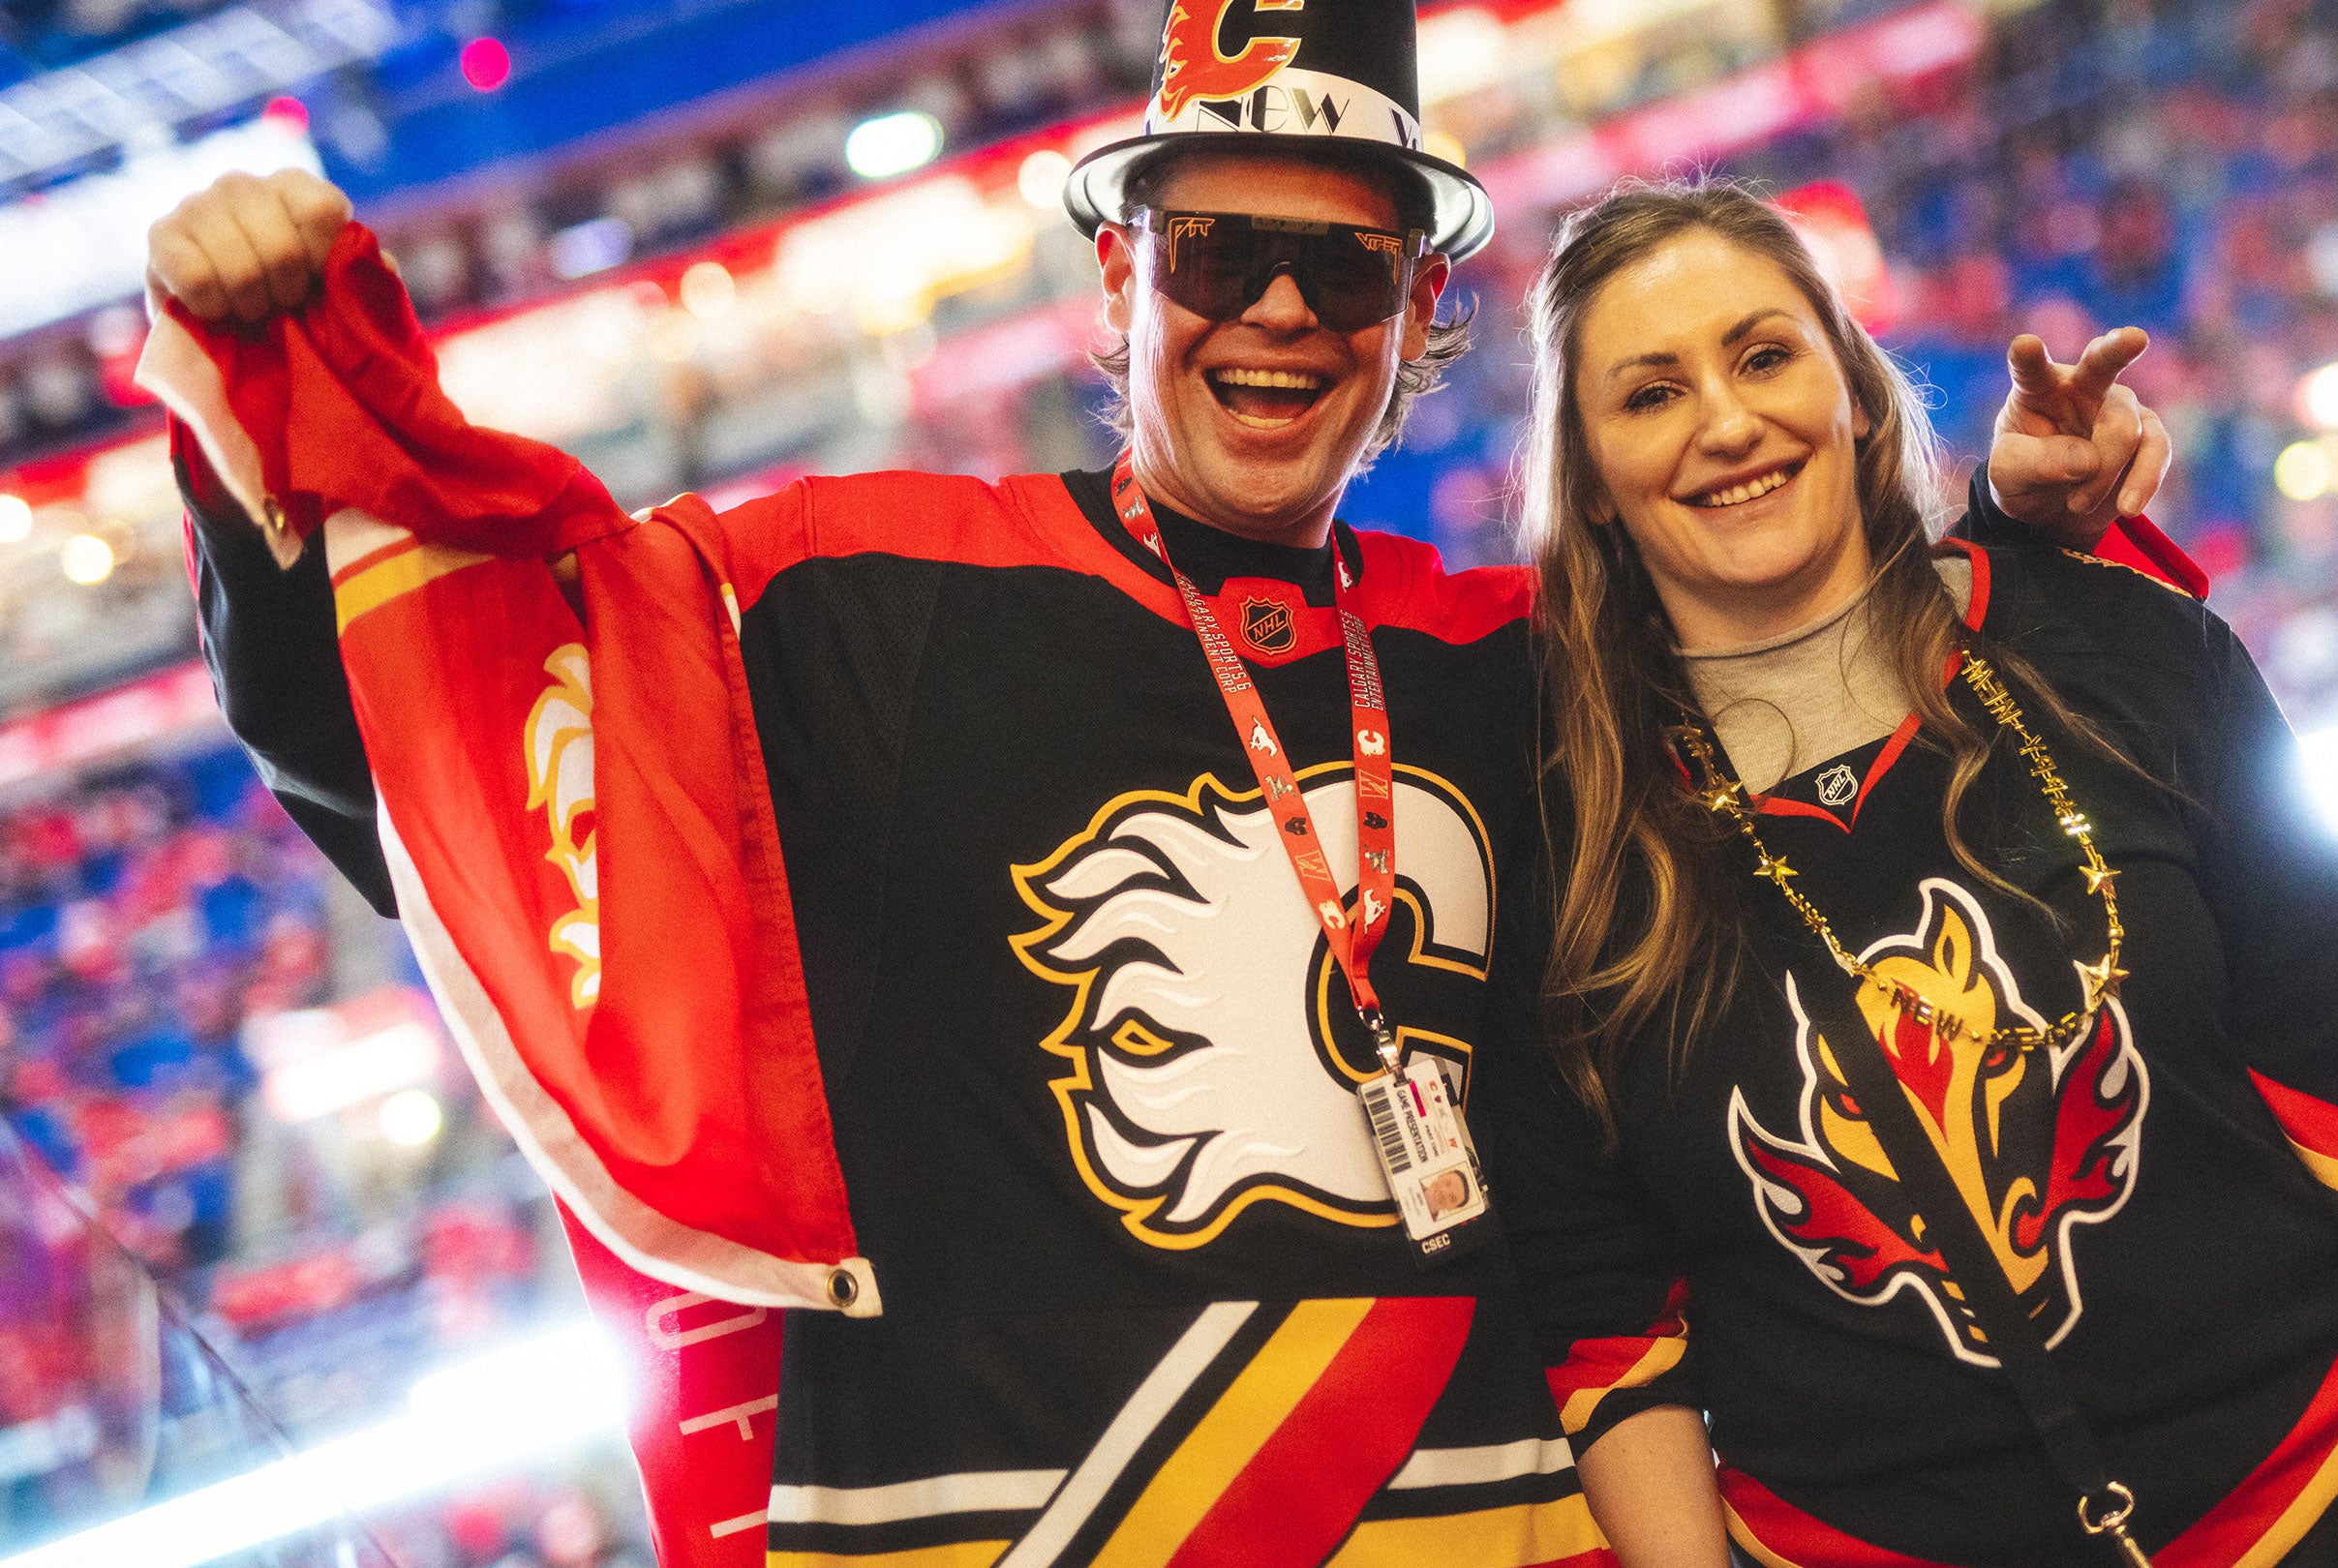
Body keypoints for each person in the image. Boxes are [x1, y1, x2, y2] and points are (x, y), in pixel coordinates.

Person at [137, 7, 2170, 1564]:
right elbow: (465, 767)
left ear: (1418, 328)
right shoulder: (850, 585)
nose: (1279, 311)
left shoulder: (1511, 658)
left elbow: (1833, 700)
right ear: (1113, 274)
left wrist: (2028, 529)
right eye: (1217, 250)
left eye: (1348, 273)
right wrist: (271, 450)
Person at [1493, 180, 2338, 1568]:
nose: (1727, 422)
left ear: (1854, 392)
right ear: (1595, 484)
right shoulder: (1561, 835)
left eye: (1762, 354)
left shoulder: (2128, 654)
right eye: (1651, 394)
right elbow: (1602, 1297)